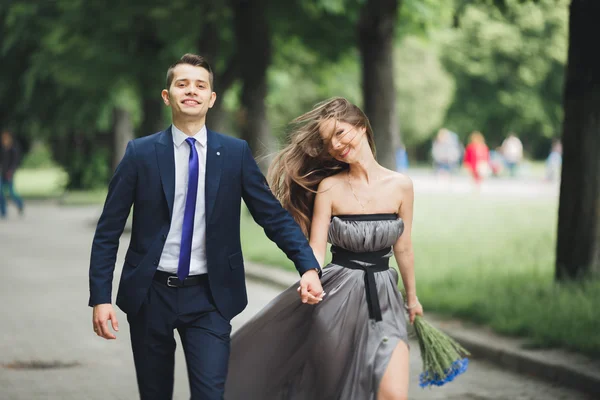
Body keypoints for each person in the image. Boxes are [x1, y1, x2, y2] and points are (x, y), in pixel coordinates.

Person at [88, 54, 324, 400]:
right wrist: (100, 297)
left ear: (212, 99)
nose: (191, 91)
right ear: (167, 96)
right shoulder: (139, 154)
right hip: (150, 293)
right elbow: (108, 231)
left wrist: (307, 265)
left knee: (211, 393)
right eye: (182, 84)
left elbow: (271, 215)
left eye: (200, 85)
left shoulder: (233, 153)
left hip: (211, 296)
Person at [225, 97, 423, 400]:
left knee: (394, 394)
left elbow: (404, 248)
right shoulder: (329, 187)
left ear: (361, 126)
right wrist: (310, 275)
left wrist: (411, 297)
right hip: (337, 297)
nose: (336, 145)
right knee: (334, 389)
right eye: (329, 141)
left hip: (384, 298)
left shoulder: (401, 186)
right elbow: (317, 249)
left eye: (341, 133)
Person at [0, 129, 25, 218]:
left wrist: (11, 171)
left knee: (11, 193)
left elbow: (15, 162)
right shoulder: (2, 149)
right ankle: (3, 212)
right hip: (2, 174)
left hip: (9, 174)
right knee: (0, 193)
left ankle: (20, 204)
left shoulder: (13, 149)